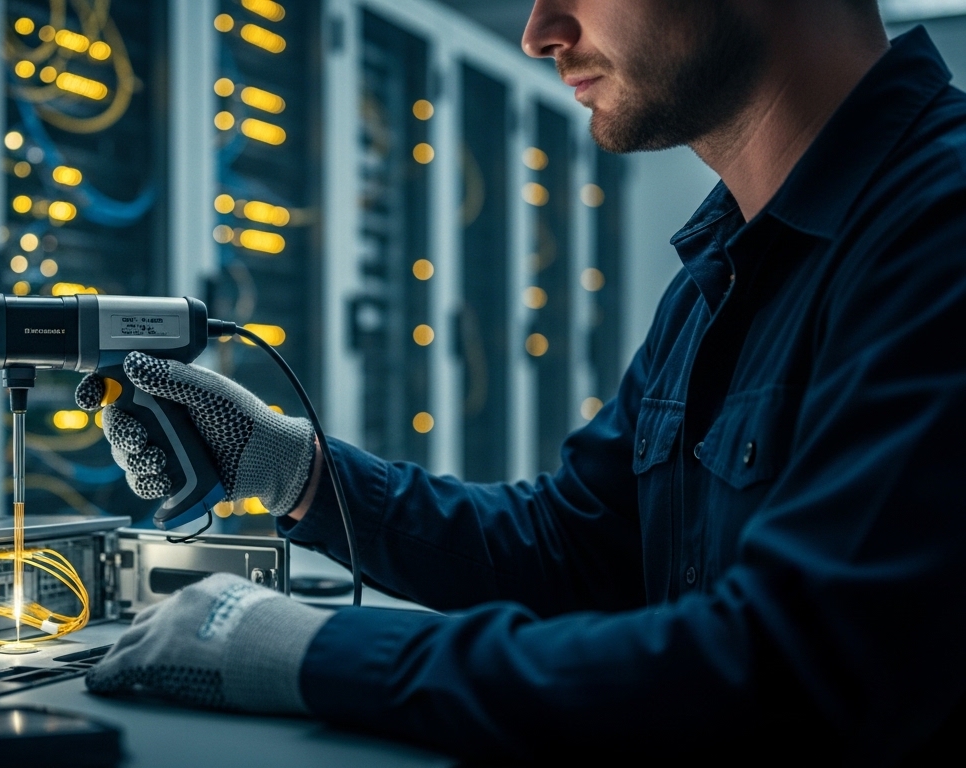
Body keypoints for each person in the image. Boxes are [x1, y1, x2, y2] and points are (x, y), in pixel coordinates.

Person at [75, 0, 966, 761]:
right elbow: (575, 549)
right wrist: (294, 472)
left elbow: (793, 670)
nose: (540, 30)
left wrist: (314, 650)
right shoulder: (726, 265)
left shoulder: (940, 230)